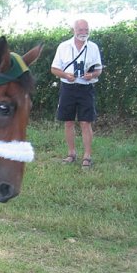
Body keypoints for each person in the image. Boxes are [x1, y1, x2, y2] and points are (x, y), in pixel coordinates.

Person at [51, 19, 103, 168]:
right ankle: (71, 154)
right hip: (68, 87)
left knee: (86, 122)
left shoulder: (93, 47)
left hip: (86, 88)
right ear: (74, 30)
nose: (84, 32)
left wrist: (92, 75)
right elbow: (54, 69)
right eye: (80, 29)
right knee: (68, 122)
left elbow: (99, 69)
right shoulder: (63, 47)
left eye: (86, 29)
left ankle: (87, 156)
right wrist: (65, 75)